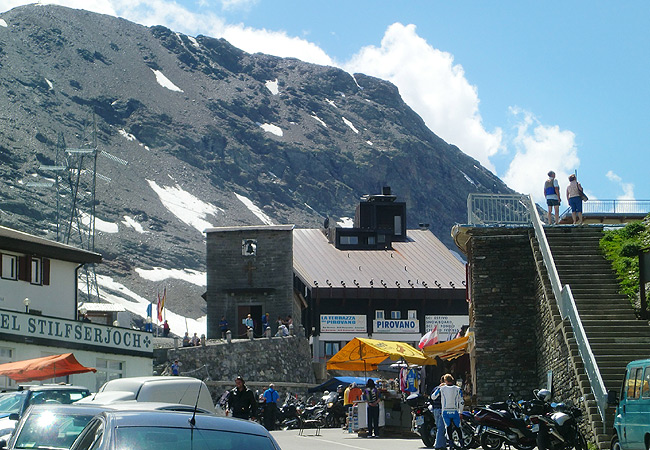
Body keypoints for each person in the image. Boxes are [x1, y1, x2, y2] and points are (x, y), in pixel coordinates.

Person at [432, 373, 465, 450]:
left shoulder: (442, 389)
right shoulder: (458, 389)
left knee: (448, 427)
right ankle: (462, 444)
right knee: (458, 427)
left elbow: (433, 397)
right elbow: (461, 401)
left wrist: (439, 387)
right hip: (455, 411)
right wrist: (461, 412)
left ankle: (451, 445)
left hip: (445, 411)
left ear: (445, 380)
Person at [431, 376, 447, 450]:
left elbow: (431, 399)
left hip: (435, 410)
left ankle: (443, 445)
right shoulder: (445, 389)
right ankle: (438, 445)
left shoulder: (435, 388)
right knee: (441, 429)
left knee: (439, 428)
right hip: (442, 410)